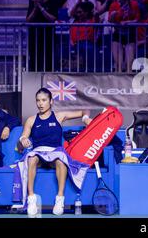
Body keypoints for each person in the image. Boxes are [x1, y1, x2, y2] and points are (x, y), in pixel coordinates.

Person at [17, 88, 92, 217]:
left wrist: (85, 118)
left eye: (44, 100)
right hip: (39, 155)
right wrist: (23, 140)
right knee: (31, 158)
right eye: (38, 101)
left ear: (51, 101)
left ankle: (60, 199)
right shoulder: (31, 120)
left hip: (55, 154)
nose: (40, 103)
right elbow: (22, 139)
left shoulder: (59, 116)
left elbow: (84, 110)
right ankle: (31, 200)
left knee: (61, 160)